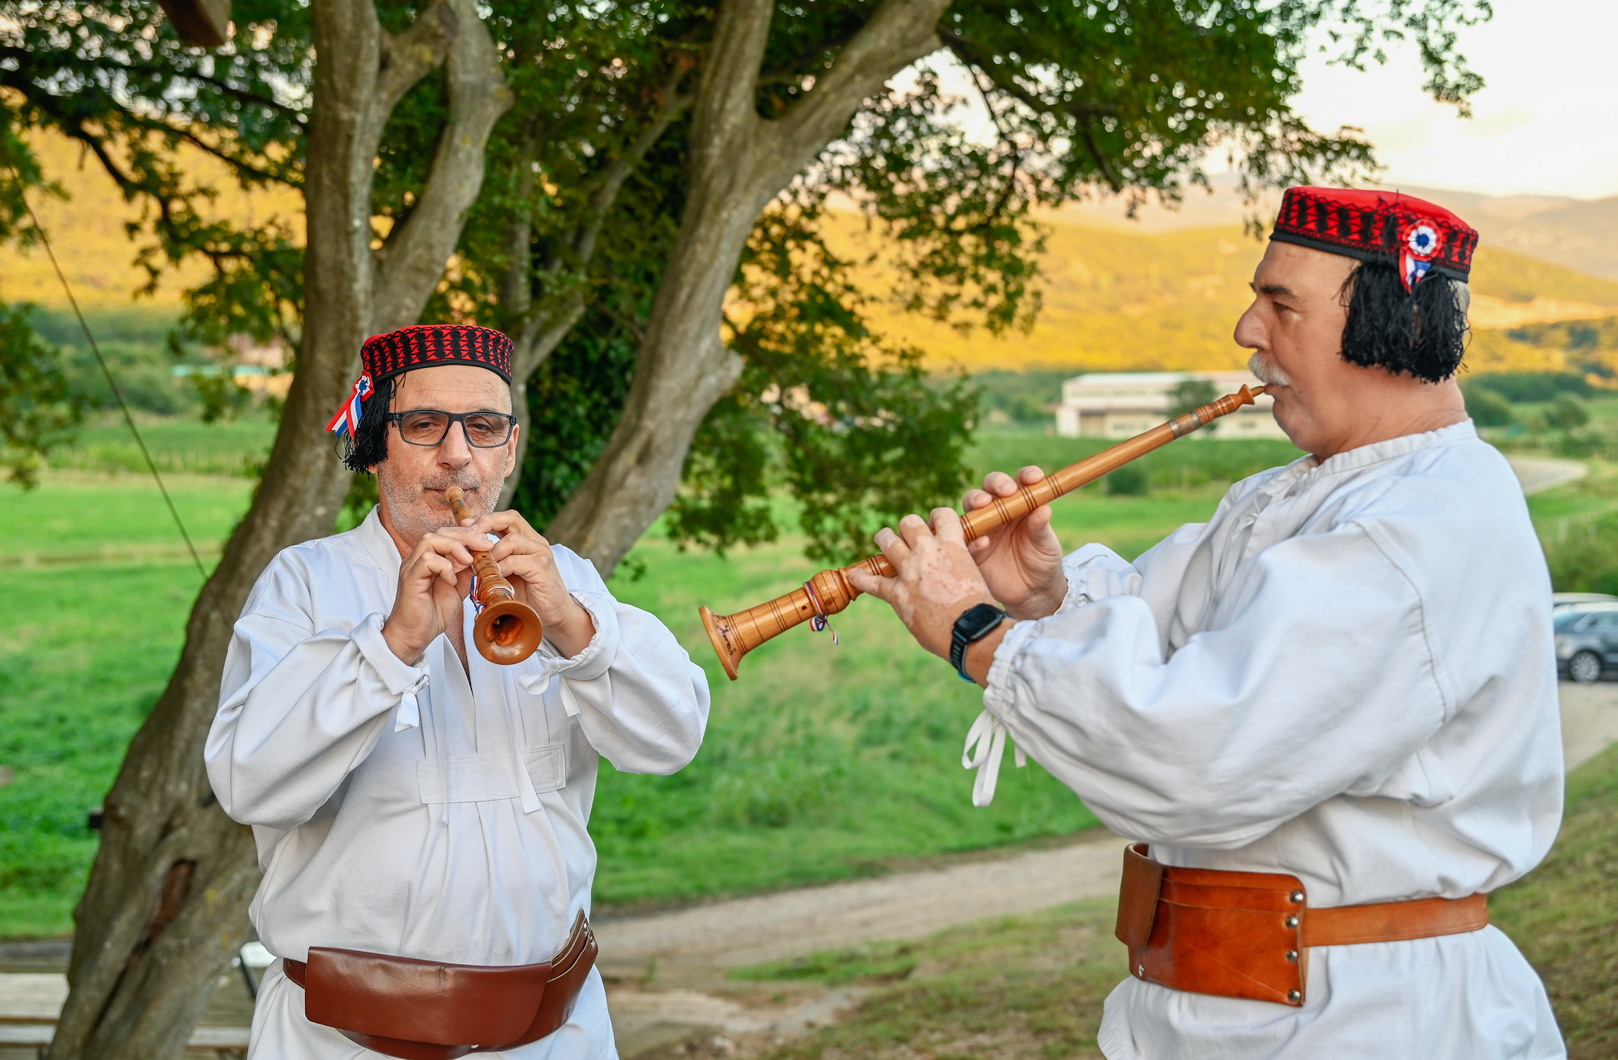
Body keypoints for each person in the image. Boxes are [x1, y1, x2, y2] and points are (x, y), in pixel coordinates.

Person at [849, 188, 1565, 1058]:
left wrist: (974, 632)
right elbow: (1168, 641)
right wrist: (1042, 598)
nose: (1245, 329)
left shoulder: (1417, 528)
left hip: (1364, 1024)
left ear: (1393, 326)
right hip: (1241, 1018)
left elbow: (1194, 755)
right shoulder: (1295, 495)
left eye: (1281, 305)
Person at [205, 324, 710, 1059]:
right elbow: (247, 783)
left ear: (509, 448)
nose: (457, 455)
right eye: (424, 425)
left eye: (483, 427)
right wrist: (390, 647)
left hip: (555, 1040)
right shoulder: (305, 583)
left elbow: (672, 739)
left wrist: (572, 625)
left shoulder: (564, 578)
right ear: (376, 443)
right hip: (345, 1046)